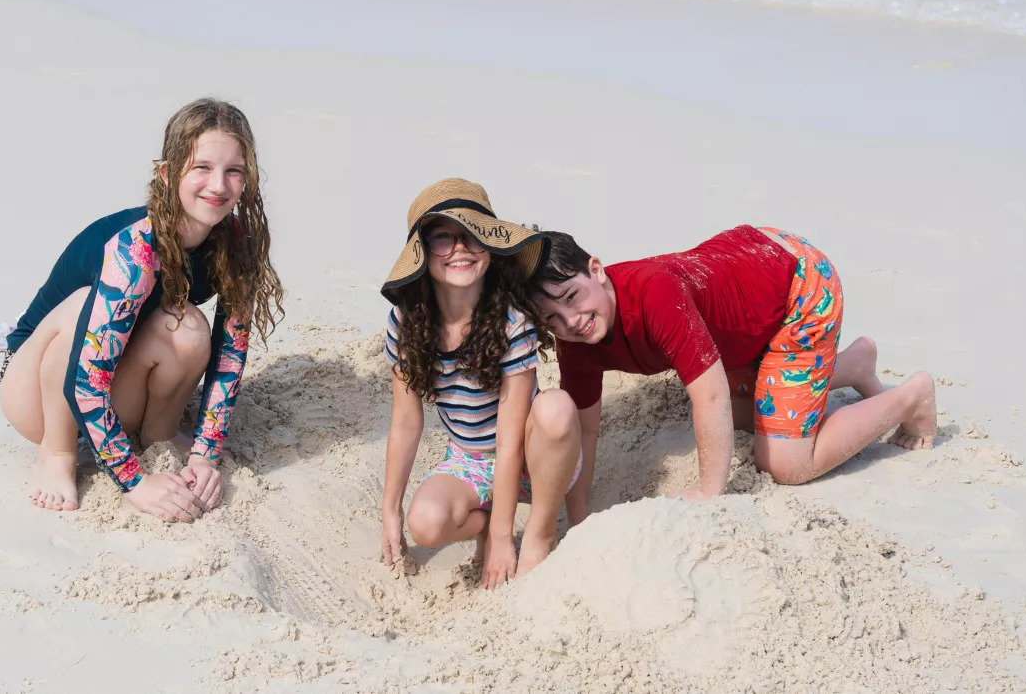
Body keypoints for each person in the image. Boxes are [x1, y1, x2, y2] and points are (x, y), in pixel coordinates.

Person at [529, 225, 936, 523]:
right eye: (552, 319)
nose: (572, 320)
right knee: (745, 418)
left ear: (596, 270)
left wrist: (710, 491)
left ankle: (909, 397)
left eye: (572, 297)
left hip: (798, 284)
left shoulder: (653, 294)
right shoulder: (575, 340)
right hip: (746, 284)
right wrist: (579, 520)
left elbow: (709, 397)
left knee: (784, 461)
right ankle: (854, 364)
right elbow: (585, 432)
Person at [0, 98, 284, 522]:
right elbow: (85, 378)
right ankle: (57, 453)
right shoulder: (134, 247)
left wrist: (206, 453)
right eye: (201, 167)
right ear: (168, 174)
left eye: (234, 171)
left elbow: (229, 356)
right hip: (39, 390)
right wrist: (135, 483)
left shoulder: (237, 243)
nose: (218, 185)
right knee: (82, 310)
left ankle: (158, 437)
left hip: (113, 383)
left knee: (189, 328)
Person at [379, 179, 583, 589]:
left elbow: (510, 441)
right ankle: (486, 520)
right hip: (471, 458)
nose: (460, 249)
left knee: (556, 407)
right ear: (421, 253)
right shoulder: (405, 324)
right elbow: (405, 423)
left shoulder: (512, 323)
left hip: (532, 453)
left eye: (474, 236)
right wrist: (391, 509)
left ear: (491, 247)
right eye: (443, 239)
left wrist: (504, 538)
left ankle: (541, 530)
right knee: (427, 523)